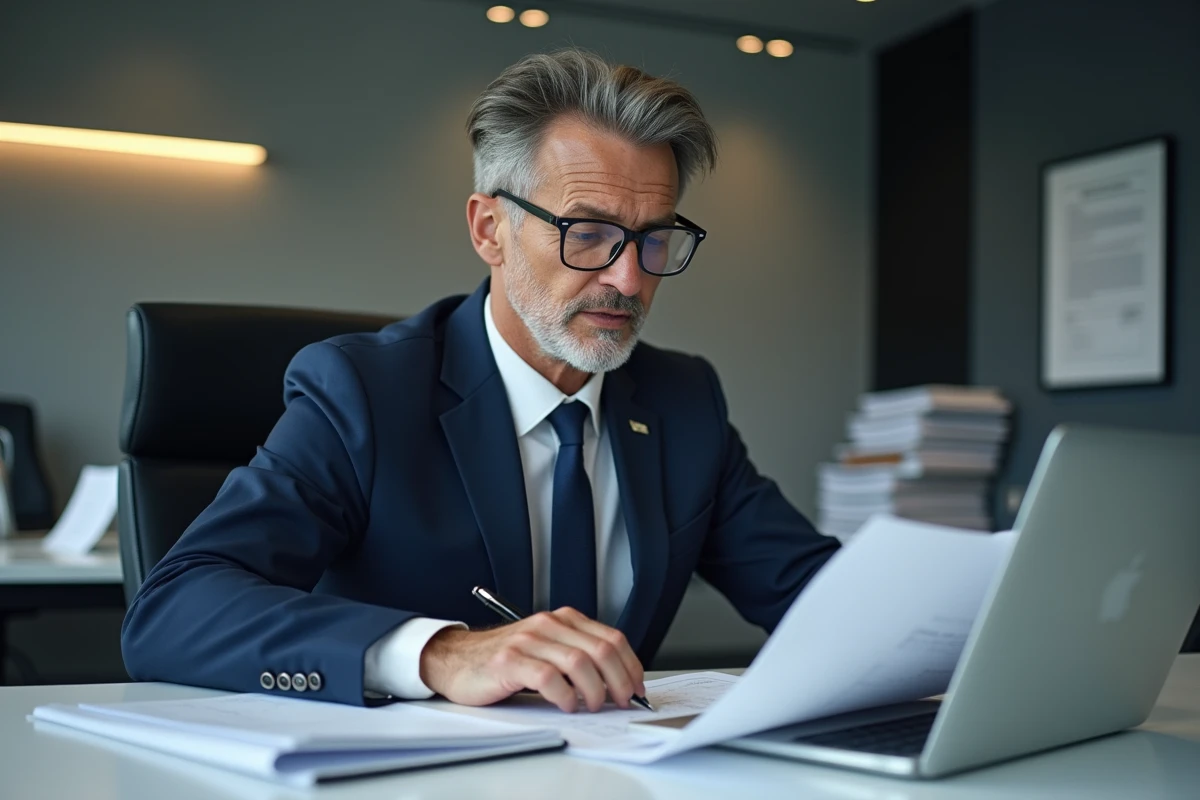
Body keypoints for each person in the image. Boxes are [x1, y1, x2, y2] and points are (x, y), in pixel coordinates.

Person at [121, 48, 840, 713]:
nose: (628, 278)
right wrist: (440, 653)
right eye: (586, 232)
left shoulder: (684, 403)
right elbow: (174, 609)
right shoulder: (363, 392)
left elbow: (827, 600)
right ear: (490, 229)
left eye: (654, 239)